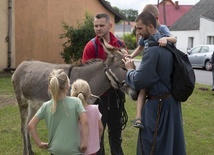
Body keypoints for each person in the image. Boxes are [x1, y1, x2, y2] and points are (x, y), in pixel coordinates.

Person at [123, 11, 186, 155]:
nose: (137, 32)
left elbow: (139, 81)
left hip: (158, 106)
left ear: (150, 26)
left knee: (152, 145)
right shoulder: (166, 44)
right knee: (169, 144)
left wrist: (129, 70)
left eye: (140, 28)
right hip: (171, 104)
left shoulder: (153, 49)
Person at [82, 12, 126, 155]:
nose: (98, 29)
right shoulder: (91, 46)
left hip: (116, 97)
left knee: (116, 134)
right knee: (97, 136)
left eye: (101, 25)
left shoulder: (120, 45)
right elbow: (85, 75)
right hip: (98, 98)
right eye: (96, 26)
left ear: (110, 25)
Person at [130, 4, 177, 129]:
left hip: (155, 81)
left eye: (140, 28)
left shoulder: (162, 30)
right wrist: (131, 56)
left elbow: (174, 39)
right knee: (143, 90)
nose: (138, 32)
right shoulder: (147, 37)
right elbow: (140, 47)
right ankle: (138, 117)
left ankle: (139, 117)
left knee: (142, 86)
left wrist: (166, 39)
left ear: (153, 20)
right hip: (152, 71)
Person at [28, 69, 89, 155]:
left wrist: (39, 143)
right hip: (73, 151)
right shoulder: (76, 102)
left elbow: (31, 125)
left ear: (50, 87)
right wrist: (85, 142)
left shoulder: (46, 106)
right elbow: (85, 122)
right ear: (67, 86)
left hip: (55, 151)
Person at [71, 79, 104, 155]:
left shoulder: (71, 111)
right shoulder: (95, 109)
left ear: (72, 94)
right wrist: (97, 139)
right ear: (89, 94)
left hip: (75, 148)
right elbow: (100, 128)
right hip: (92, 149)